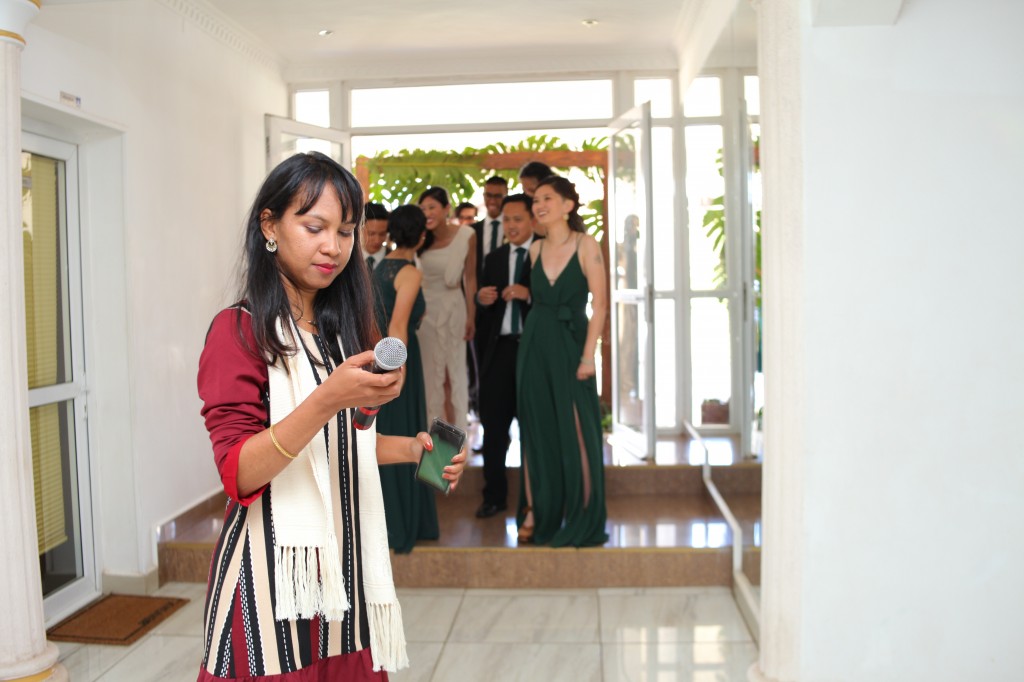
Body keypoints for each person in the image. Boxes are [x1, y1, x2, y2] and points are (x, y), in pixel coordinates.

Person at [196, 152, 466, 681]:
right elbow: (239, 472)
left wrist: (415, 449)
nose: (333, 247)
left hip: (346, 575)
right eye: (314, 226)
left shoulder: (340, 331)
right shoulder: (238, 331)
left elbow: (345, 443)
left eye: (345, 231)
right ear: (269, 225)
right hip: (272, 578)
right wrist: (326, 399)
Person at [515, 175, 608, 547]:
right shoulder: (534, 250)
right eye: (536, 199)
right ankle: (538, 509)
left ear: (568, 205)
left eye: (548, 198)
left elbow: (600, 305)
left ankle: (583, 512)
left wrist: (589, 356)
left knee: (578, 430)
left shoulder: (587, 245)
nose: (539, 205)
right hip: (534, 346)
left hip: (572, 348)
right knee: (537, 431)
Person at [371, 205, 438, 553]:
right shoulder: (409, 271)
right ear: (422, 237)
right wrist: (401, 368)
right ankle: (405, 524)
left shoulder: (381, 266)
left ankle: (393, 522)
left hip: (379, 357)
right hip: (397, 360)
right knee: (406, 437)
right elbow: (398, 324)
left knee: (389, 438)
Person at [473, 194, 535, 519]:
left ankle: (533, 500)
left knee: (534, 427)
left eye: (518, 219)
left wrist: (530, 294)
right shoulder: (494, 258)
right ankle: (494, 496)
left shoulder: (542, 253)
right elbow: (484, 308)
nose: (510, 226)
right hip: (499, 351)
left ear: (532, 221)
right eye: (507, 220)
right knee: (494, 428)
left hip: (534, 353)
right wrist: (481, 299)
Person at [417, 186, 477, 430]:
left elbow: (470, 278)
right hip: (426, 313)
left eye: (432, 207)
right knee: (433, 378)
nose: (428, 213)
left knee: (454, 376)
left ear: (446, 209)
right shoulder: (419, 238)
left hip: (454, 308)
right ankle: (435, 444)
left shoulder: (467, 235)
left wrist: (471, 316)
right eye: (423, 209)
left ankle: (456, 441)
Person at [472, 176, 509, 279]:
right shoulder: (472, 230)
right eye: (489, 195)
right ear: (484, 196)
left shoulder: (513, 229)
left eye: (498, 196)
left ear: (505, 196)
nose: (492, 201)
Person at [363, 202, 390, 270]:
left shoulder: (395, 260)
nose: (377, 240)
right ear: (360, 229)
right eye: (371, 234)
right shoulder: (350, 258)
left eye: (382, 234)